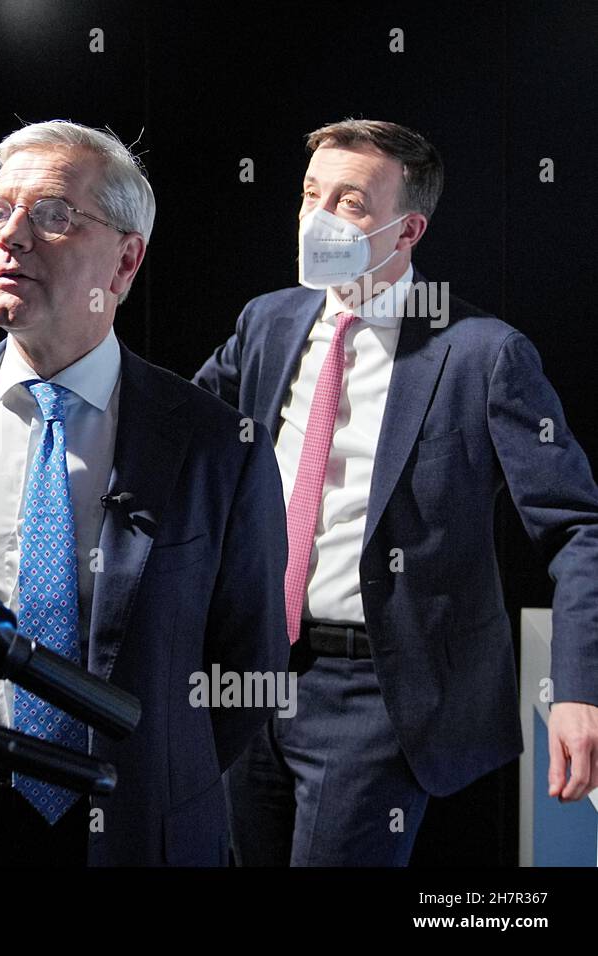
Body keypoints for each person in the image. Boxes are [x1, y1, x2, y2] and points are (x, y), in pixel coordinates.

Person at [0, 120, 289, 866]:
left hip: (127, 830)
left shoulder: (216, 447)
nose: (10, 236)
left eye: (52, 215)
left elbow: (248, 666)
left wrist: (160, 784)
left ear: (124, 263)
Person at [193, 118, 598, 866]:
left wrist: (581, 689)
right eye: (311, 193)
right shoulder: (267, 323)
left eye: (350, 202)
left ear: (407, 229)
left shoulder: (484, 354)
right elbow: (179, 435)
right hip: (248, 673)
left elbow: (579, 528)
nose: (318, 217)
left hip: (374, 692)